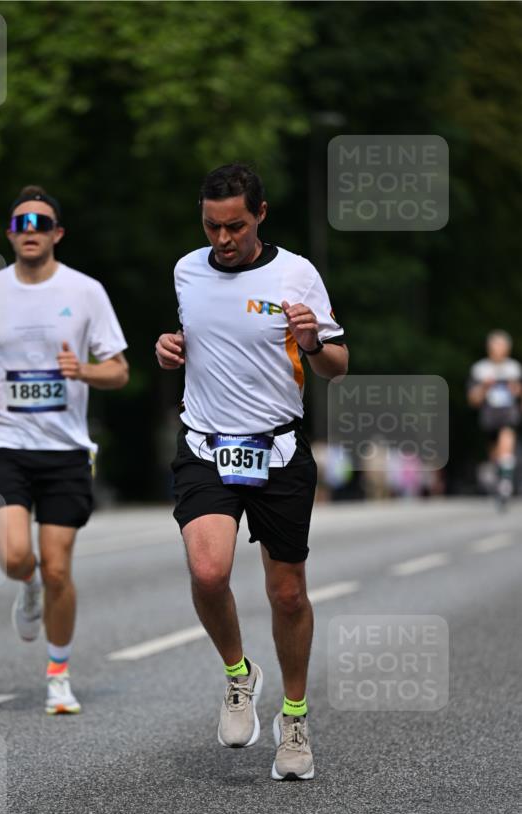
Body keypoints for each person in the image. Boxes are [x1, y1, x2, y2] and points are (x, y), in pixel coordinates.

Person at [156, 163, 348, 781]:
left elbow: (336, 366)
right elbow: (194, 339)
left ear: (260, 215)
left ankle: (294, 719)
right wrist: (169, 349)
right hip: (207, 443)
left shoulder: (296, 274)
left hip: (278, 451)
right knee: (208, 571)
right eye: (212, 225)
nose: (222, 238)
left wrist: (313, 341)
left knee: (287, 592)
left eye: (234, 225)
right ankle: (240, 676)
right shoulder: (187, 270)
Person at [0, 185, 129, 713]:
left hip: (66, 451)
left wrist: (85, 370)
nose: (31, 232)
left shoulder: (87, 291)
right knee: (15, 557)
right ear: (10, 234)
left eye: (41, 223)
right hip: (6, 443)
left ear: (57, 233)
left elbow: (119, 370)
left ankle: (58, 674)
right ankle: (25, 585)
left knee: (59, 568)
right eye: (21, 224)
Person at [468, 330, 522, 506]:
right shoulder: (480, 369)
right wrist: (484, 387)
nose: (498, 349)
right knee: (496, 455)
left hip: (509, 414)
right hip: (490, 416)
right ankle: (501, 481)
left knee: (507, 445)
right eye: (495, 346)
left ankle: (505, 486)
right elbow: (473, 399)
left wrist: (516, 389)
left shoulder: (514, 368)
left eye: (502, 346)